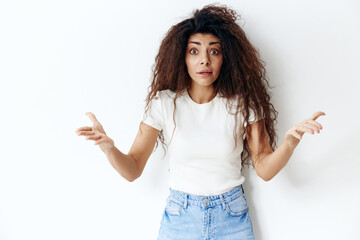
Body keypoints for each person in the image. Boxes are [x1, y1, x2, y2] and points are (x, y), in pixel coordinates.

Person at [75, 4, 325, 239]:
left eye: (214, 51)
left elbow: (264, 169)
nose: (204, 60)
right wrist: (108, 148)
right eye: (194, 51)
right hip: (180, 218)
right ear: (181, 57)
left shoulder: (242, 103)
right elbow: (132, 169)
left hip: (232, 218)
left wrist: (290, 142)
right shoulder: (163, 103)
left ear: (225, 57)